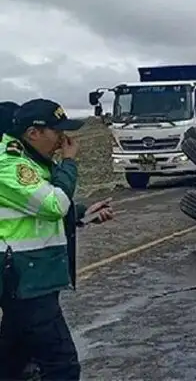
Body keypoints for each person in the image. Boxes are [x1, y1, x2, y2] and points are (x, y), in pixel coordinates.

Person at [0, 99, 114, 380]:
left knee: (14, 362)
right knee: (61, 365)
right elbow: (53, 205)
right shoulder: (10, 164)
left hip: (31, 276)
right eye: (57, 130)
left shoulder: (31, 161)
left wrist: (81, 213)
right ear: (33, 133)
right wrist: (70, 162)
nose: (64, 139)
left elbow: (31, 210)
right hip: (26, 279)